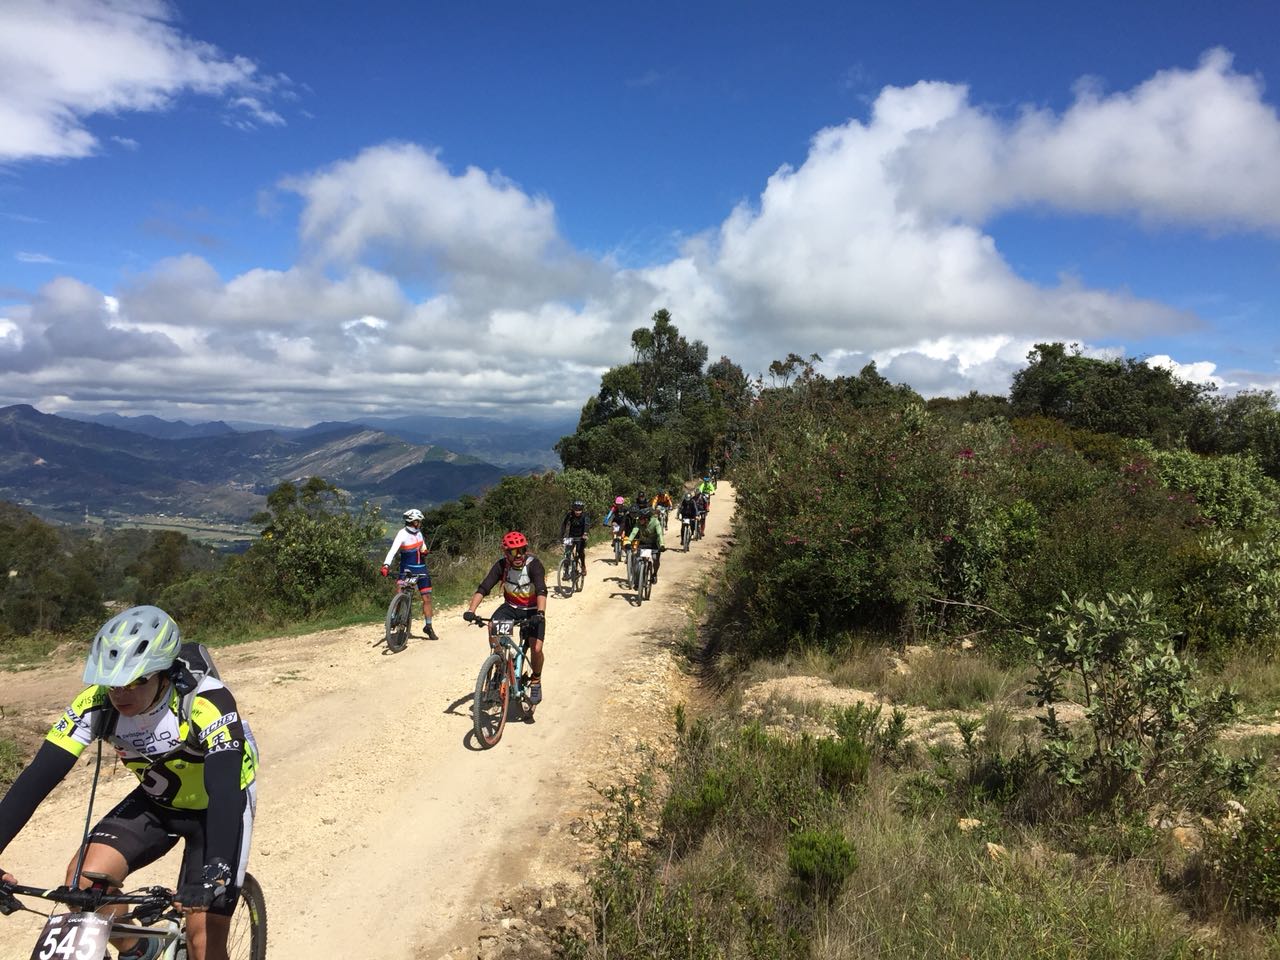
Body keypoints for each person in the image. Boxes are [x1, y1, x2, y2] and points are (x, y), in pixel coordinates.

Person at [0, 606, 259, 960]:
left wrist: (215, 868)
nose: (119, 693)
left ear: (162, 674)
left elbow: (225, 788)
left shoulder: (205, 699)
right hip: (158, 801)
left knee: (204, 942)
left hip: (217, 807)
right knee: (84, 885)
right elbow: (36, 780)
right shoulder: (96, 705)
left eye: (135, 680)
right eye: (111, 682)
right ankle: (139, 947)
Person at [463, 532, 548, 705]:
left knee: (536, 648)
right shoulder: (502, 566)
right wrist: (471, 610)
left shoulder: (534, 565)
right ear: (506, 553)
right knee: (492, 626)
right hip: (511, 607)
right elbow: (484, 587)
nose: (518, 556)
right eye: (514, 552)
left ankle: (536, 680)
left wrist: (540, 613)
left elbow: (541, 589)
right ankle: (500, 664)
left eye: (522, 550)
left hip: (532, 610)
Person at [381, 507, 438, 641]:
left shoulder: (419, 533)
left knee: (427, 598)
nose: (420, 523)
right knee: (400, 592)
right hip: (407, 570)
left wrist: (424, 551)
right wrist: (386, 565)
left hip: (421, 569)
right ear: (414, 522)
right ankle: (394, 616)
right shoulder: (402, 534)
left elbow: (423, 546)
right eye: (419, 521)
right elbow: (393, 551)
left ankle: (428, 626)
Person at [627, 505, 666, 583]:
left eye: (641, 518)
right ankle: (639, 577)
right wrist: (628, 542)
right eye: (639, 518)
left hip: (654, 543)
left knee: (655, 559)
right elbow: (634, 532)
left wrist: (662, 545)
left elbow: (659, 534)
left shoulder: (655, 522)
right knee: (639, 559)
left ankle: (654, 574)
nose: (639, 520)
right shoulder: (638, 523)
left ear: (647, 518)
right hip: (643, 543)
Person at [559, 500, 591, 570]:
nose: (577, 512)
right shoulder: (570, 515)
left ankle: (583, 566)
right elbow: (564, 524)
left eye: (579, 510)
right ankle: (566, 572)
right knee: (567, 553)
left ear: (582, 510)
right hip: (571, 536)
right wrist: (561, 535)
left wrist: (585, 534)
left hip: (581, 537)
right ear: (573, 509)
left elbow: (587, 525)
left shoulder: (585, 516)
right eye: (575, 509)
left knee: (580, 552)